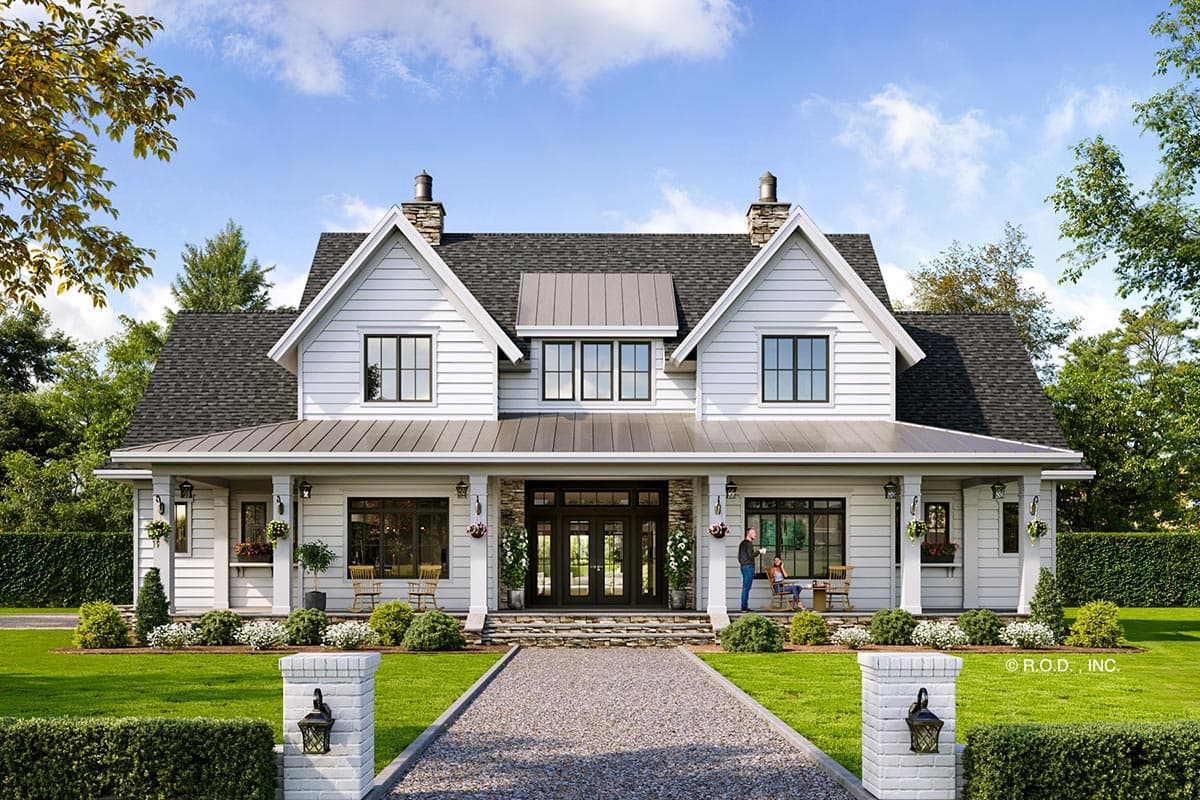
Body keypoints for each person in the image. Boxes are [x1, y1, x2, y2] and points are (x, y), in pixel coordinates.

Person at [737, 528, 766, 612]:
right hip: (748, 567)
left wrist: (743, 563)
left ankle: (744, 606)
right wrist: (759, 551)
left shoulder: (742, 543)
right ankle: (744, 607)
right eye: (753, 533)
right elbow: (751, 555)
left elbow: (740, 557)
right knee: (746, 587)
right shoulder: (748, 544)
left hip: (744, 566)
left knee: (746, 587)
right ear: (748, 534)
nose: (755, 534)